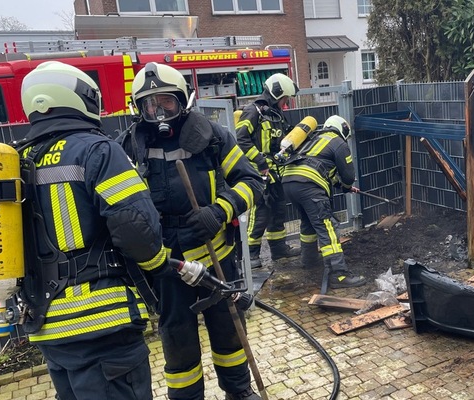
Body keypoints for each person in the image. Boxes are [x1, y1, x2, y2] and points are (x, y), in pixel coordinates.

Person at [14, 61, 174, 399]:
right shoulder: (97, 150)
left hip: (49, 329)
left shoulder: (18, 160)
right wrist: (159, 265)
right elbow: (138, 229)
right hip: (102, 325)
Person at [118, 62, 264, 400]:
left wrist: (219, 211)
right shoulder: (128, 148)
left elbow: (252, 182)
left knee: (228, 327)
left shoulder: (213, 138)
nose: (159, 112)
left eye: (166, 101)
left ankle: (238, 390)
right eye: (149, 104)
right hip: (166, 265)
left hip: (216, 256)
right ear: (137, 109)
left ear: (184, 100)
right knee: (177, 339)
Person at [281, 115, 367, 290]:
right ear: (343, 130)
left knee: (308, 222)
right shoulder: (338, 143)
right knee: (328, 227)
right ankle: (338, 275)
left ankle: (309, 260)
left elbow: (319, 168)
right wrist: (347, 185)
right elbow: (348, 176)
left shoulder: (312, 140)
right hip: (309, 186)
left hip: (289, 182)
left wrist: (343, 186)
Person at [235, 73, 301, 268]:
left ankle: (279, 249)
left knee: (278, 208)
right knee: (261, 212)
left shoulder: (275, 113)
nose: (285, 103)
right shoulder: (253, 111)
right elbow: (241, 139)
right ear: (276, 93)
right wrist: (261, 162)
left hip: (276, 171)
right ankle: (251, 255)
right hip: (259, 172)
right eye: (284, 99)